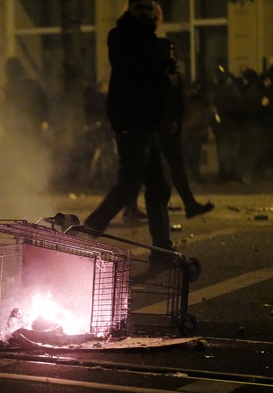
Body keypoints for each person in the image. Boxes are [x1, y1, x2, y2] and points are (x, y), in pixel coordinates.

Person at [83, 0, 173, 261]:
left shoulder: (147, 38)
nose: (146, 13)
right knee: (128, 186)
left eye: (149, 8)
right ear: (130, 10)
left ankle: (162, 249)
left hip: (144, 124)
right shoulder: (123, 36)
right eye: (140, 8)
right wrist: (163, 74)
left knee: (157, 186)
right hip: (133, 125)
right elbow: (140, 75)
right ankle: (85, 235)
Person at [156, 38, 214, 219]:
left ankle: (187, 203)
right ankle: (158, 206)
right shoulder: (159, 73)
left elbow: (177, 97)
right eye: (170, 50)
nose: (174, 54)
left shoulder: (171, 71)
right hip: (164, 126)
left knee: (175, 166)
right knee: (163, 167)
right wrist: (170, 119)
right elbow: (164, 100)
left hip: (171, 125)